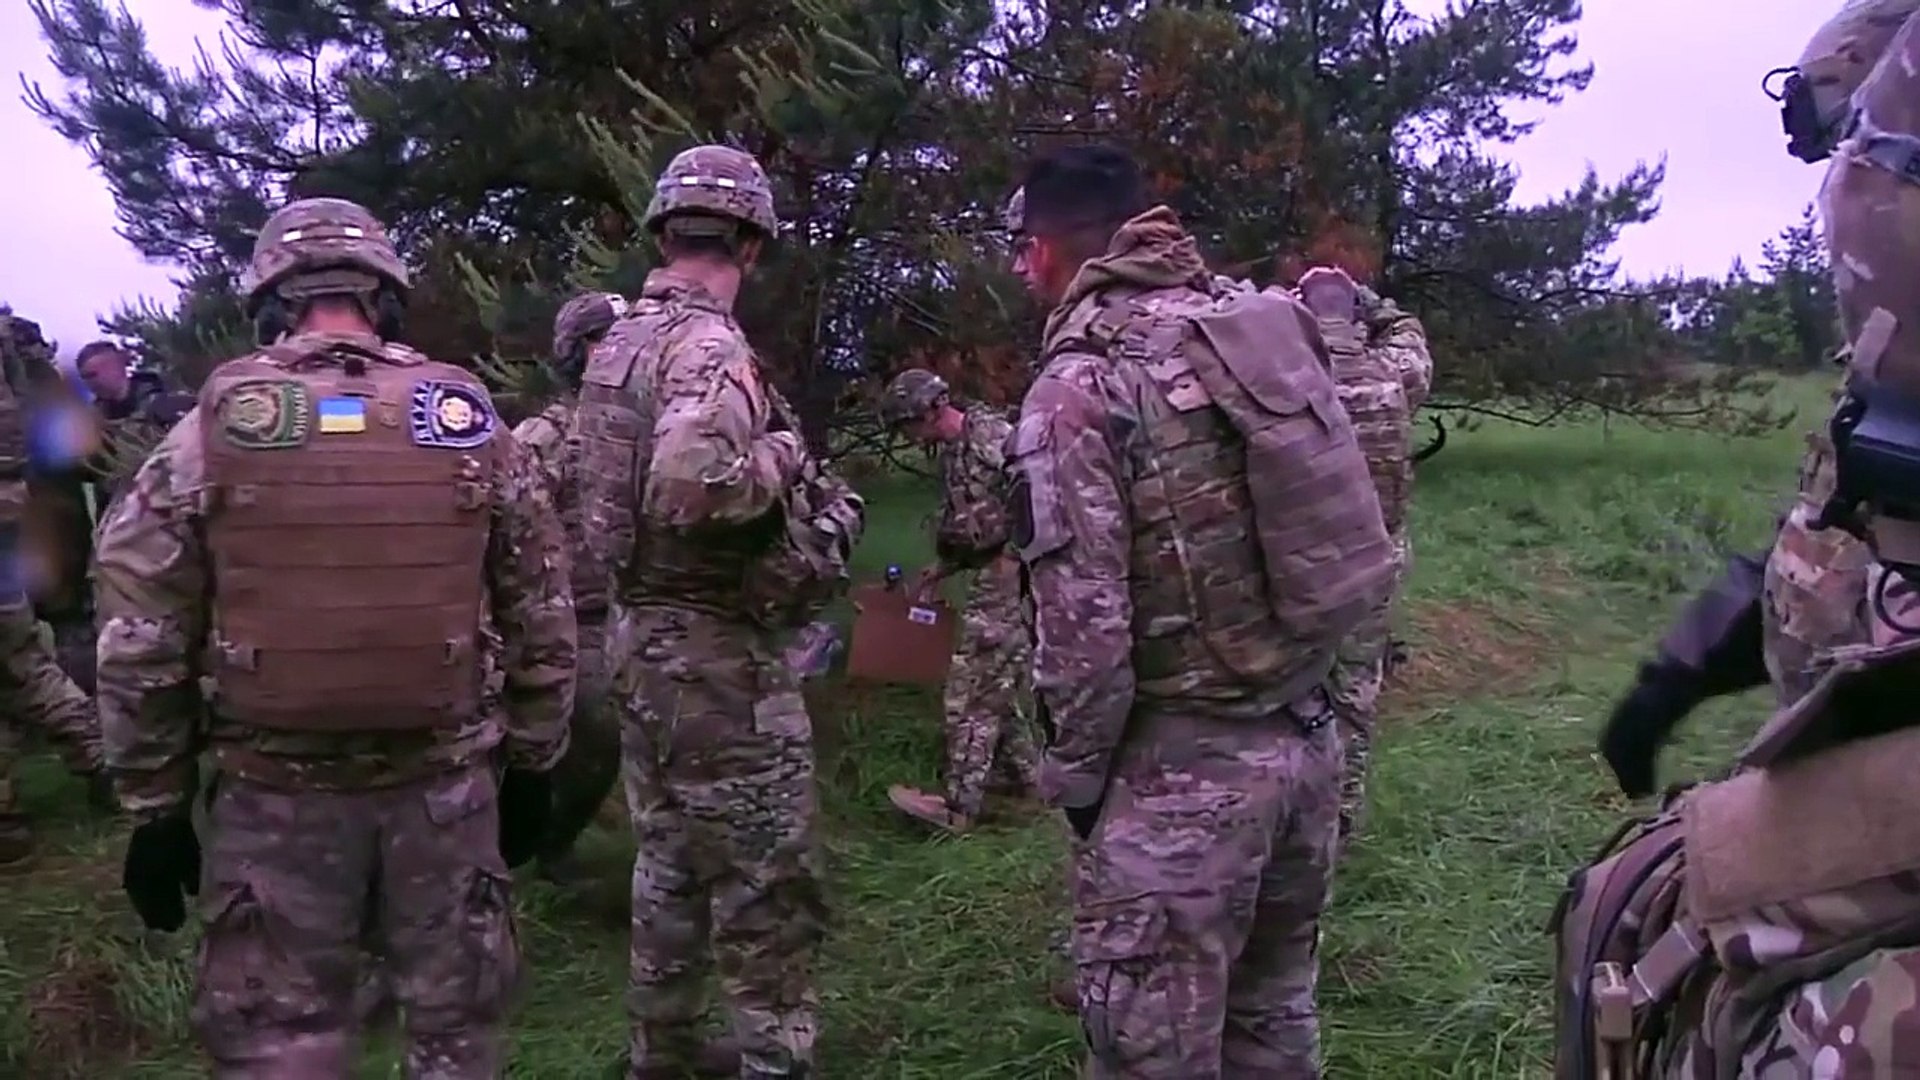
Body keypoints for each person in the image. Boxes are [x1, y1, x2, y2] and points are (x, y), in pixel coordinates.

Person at [95, 196, 576, 1077]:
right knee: (458, 1039)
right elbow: (543, 605)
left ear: (272, 300)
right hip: (446, 796)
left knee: (283, 1045)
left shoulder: (209, 432)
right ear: (384, 297)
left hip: (276, 800)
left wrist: (154, 805)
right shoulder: (466, 420)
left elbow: (139, 635)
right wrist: (538, 763)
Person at [1005, 143, 1393, 1078]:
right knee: (1273, 1025)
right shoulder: (1246, 327)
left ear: (1050, 251)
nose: (1019, 268)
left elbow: (1085, 635)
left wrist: (1082, 789)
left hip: (1182, 780)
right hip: (1306, 744)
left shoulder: (1079, 386)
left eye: (1021, 247)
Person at [572, 144, 864, 1080]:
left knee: (667, 860)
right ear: (750, 241)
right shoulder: (708, 348)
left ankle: (658, 1051)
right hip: (715, 657)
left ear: (665, 230)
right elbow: (692, 486)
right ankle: (774, 1061)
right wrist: (783, 451)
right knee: (763, 882)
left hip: (637, 641)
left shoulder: (616, 344)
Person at [1295, 265, 1427, 852]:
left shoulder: (1284, 374)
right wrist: (1369, 300)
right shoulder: (1395, 374)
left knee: (1296, 691)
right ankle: (1341, 823)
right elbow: (1407, 332)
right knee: (1354, 692)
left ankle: (1290, 816)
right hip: (1376, 564)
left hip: (1302, 568)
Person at [879, 367, 1040, 834]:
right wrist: (942, 568)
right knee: (996, 688)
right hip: (993, 574)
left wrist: (1026, 564)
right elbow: (975, 522)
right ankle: (1026, 785)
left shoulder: (992, 437)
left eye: (907, 425)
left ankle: (959, 808)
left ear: (927, 411)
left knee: (969, 692)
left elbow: (1036, 498)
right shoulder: (955, 453)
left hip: (1011, 578)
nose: (908, 437)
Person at [513, 290, 628, 884]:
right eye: (614, 335)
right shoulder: (546, 436)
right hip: (572, 619)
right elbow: (510, 530)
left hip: (634, 608)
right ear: (584, 350)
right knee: (598, 736)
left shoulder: (643, 424)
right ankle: (543, 849)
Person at [0, 307, 109, 869]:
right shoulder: (34, 372)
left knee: (31, 657)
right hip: (27, 515)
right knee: (22, 660)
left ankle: (98, 754)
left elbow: (85, 454)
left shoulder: (39, 380)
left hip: (42, 523)